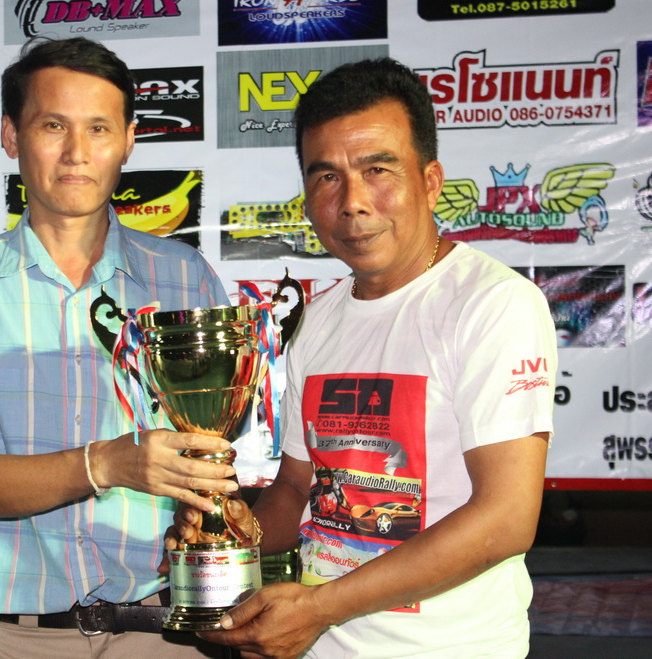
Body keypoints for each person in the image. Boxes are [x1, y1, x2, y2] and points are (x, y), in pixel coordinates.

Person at [165, 58, 558, 658]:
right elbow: (298, 487)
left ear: (430, 181)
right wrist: (240, 532)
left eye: (378, 169)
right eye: (327, 177)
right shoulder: (319, 319)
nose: (352, 202)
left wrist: (319, 608)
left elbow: (506, 518)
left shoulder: (492, 303)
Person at [0, 37, 236, 658]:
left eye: (99, 128)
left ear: (128, 140)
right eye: (52, 126)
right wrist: (109, 463)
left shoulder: (186, 279)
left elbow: (219, 457)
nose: (77, 152)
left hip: (167, 630)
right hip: (20, 637)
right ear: (11, 136)